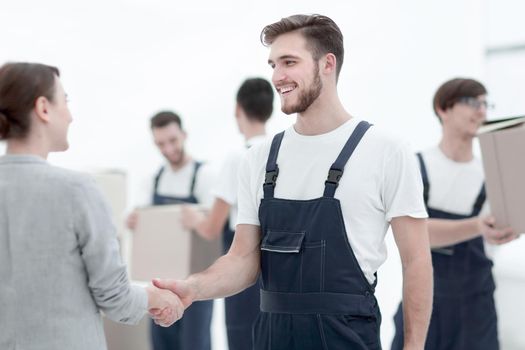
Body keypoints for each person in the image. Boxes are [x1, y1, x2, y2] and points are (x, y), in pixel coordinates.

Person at [152, 14, 433, 350]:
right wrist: (194, 288)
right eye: (272, 64)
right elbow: (243, 259)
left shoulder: (386, 151)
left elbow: (415, 261)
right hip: (270, 336)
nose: (276, 76)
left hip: (346, 338)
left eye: (289, 62)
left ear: (327, 64)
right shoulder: (259, 159)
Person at [0, 62, 182, 350]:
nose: (70, 116)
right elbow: (115, 297)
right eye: (66, 101)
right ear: (44, 108)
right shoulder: (76, 190)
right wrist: (157, 298)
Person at [391, 78, 518, 350]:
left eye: (486, 104)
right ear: (443, 108)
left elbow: (497, 233)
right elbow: (414, 235)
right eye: (472, 102)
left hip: (476, 302)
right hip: (425, 300)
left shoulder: (493, 173)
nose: (482, 111)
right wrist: (478, 226)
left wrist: (505, 231)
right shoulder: (415, 166)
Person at [181, 77, 274, 350]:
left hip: (244, 266)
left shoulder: (238, 158)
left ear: (237, 109)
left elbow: (212, 227)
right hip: (281, 268)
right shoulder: (283, 150)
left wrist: (192, 219)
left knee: (244, 339)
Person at [126, 111, 215, 350]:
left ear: (184, 135)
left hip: (196, 283)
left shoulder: (205, 176)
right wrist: (135, 221)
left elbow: (216, 230)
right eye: (160, 144)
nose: (168, 149)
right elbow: (143, 227)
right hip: (161, 283)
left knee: (195, 344)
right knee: (162, 344)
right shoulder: (153, 180)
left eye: (173, 141)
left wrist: (197, 220)